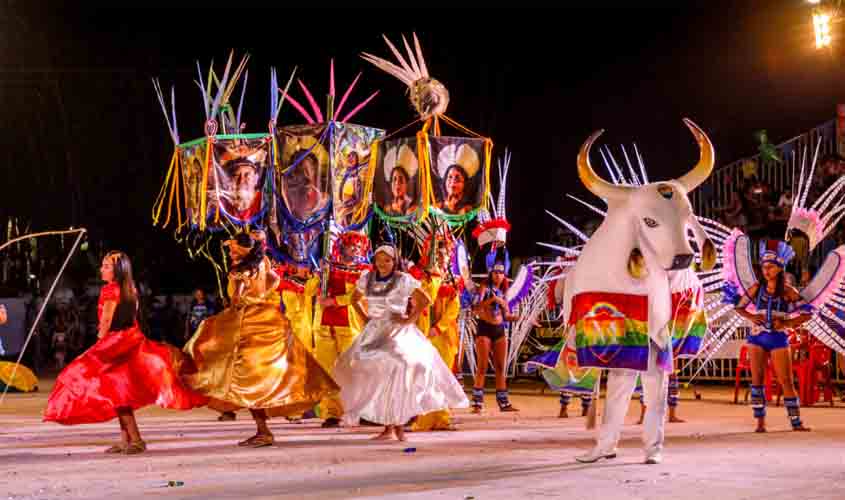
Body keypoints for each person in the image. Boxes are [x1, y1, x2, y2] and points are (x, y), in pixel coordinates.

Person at [182, 231, 339, 447]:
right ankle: (263, 429)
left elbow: (236, 298)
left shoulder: (240, 271)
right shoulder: (263, 262)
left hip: (248, 321)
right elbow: (275, 279)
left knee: (240, 372)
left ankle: (263, 431)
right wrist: (262, 294)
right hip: (268, 316)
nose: (230, 251)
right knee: (263, 374)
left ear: (242, 249)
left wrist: (241, 299)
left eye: (232, 248)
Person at [44, 251, 207, 454]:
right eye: (102, 265)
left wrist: (99, 341)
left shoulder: (110, 290)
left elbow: (106, 319)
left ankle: (136, 440)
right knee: (120, 393)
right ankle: (128, 440)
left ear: (118, 270)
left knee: (80, 376)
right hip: (130, 339)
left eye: (106, 266)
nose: (101, 269)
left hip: (115, 343)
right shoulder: (130, 287)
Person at [333, 245, 468, 441]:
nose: (382, 264)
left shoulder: (403, 279)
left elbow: (425, 300)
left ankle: (396, 425)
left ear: (394, 261)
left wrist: (408, 320)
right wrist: (366, 318)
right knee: (359, 368)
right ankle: (392, 426)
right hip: (374, 332)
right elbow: (354, 299)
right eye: (379, 259)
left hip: (397, 331)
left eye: (387, 260)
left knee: (399, 367)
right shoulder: (367, 278)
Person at [730, 240, 812, 433]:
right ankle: (760, 422)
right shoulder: (757, 288)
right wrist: (752, 316)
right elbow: (738, 306)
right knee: (757, 380)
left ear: (780, 268)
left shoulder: (788, 291)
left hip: (778, 338)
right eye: (764, 267)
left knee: (786, 381)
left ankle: (796, 422)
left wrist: (787, 323)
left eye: (771, 267)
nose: (766, 271)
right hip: (757, 338)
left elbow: (808, 312)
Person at [312, 231, 371, 428]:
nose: (354, 249)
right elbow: (312, 290)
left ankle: (364, 411)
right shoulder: (327, 267)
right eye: (350, 246)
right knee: (327, 372)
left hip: (351, 326)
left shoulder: (364, 271)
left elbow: (359, 296)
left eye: (358, 246)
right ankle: (331, 413)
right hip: (325, 327)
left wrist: (335, 301)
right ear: (341, 247)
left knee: (356, 371)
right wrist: (318, 276)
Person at [470, 254, 519, 413]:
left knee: (500, 367)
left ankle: (503, 403)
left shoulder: (504, 293)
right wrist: (492, 301)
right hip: (484, 328)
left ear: (504, 275)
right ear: (491, 273)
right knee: (482, 366)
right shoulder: (484, 288)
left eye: (501, 273)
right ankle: (477, 403)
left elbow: (506, 316)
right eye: (495, 272)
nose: (498, 275)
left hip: (499, 330)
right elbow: (475, 309)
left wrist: (520, 317)